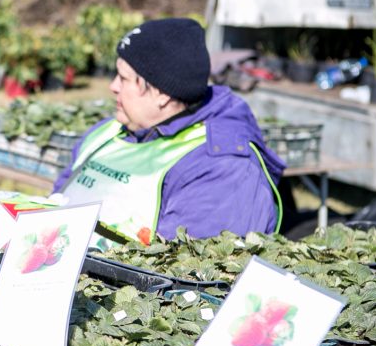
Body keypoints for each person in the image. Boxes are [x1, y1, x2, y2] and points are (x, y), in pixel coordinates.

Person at [53, 17, 285, 246]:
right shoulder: (107, 131)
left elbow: (185, 273)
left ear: (161, 93)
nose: (113, 87)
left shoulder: (223, 169)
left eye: (124, 79)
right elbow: (56, 200)